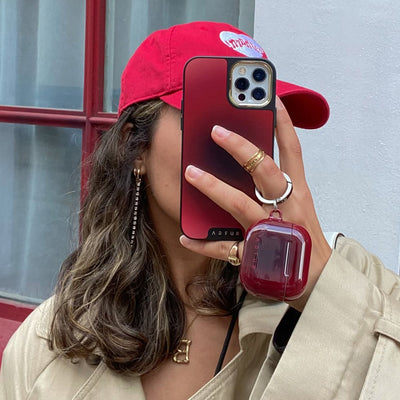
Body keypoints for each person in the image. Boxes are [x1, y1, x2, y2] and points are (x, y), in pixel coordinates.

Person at [1, 21, 400, 400]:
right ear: (133, 147)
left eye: (255, 124)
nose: (240, 149)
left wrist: (324, 290)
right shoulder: (53, 342)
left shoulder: (353, 274)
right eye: (212, 120)